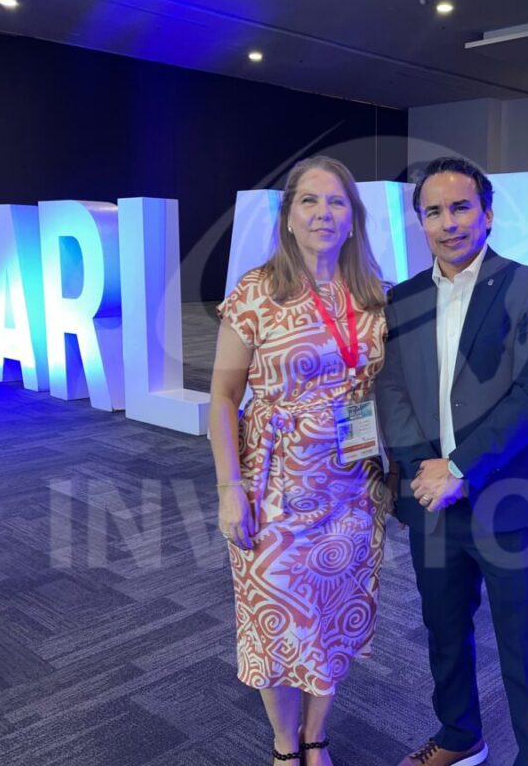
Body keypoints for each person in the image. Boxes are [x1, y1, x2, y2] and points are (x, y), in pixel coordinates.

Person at [376, 157, 528, 766]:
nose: (448, 223)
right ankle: (460, 736)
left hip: (512, 497)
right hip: (432, 502)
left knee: (526, 647)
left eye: (461, 208)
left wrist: (459, 468)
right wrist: (422, 471)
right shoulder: (402, 298)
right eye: (433, 212)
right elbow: (393, 390)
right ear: (421, 223)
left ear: (488, 214)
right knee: (444, 631)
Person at [209, 155, 389, 765]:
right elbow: (223, 397)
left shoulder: (372, 295)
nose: (323, 213)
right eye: (309, 201)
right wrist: (228, 488)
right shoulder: (256, 291)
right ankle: (285, 745)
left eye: (337, 202)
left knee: (331, 615)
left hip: (352, 485)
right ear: (288, 216)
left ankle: (316, 734)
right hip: (273, 485)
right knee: (276, 616)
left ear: (353, 218)